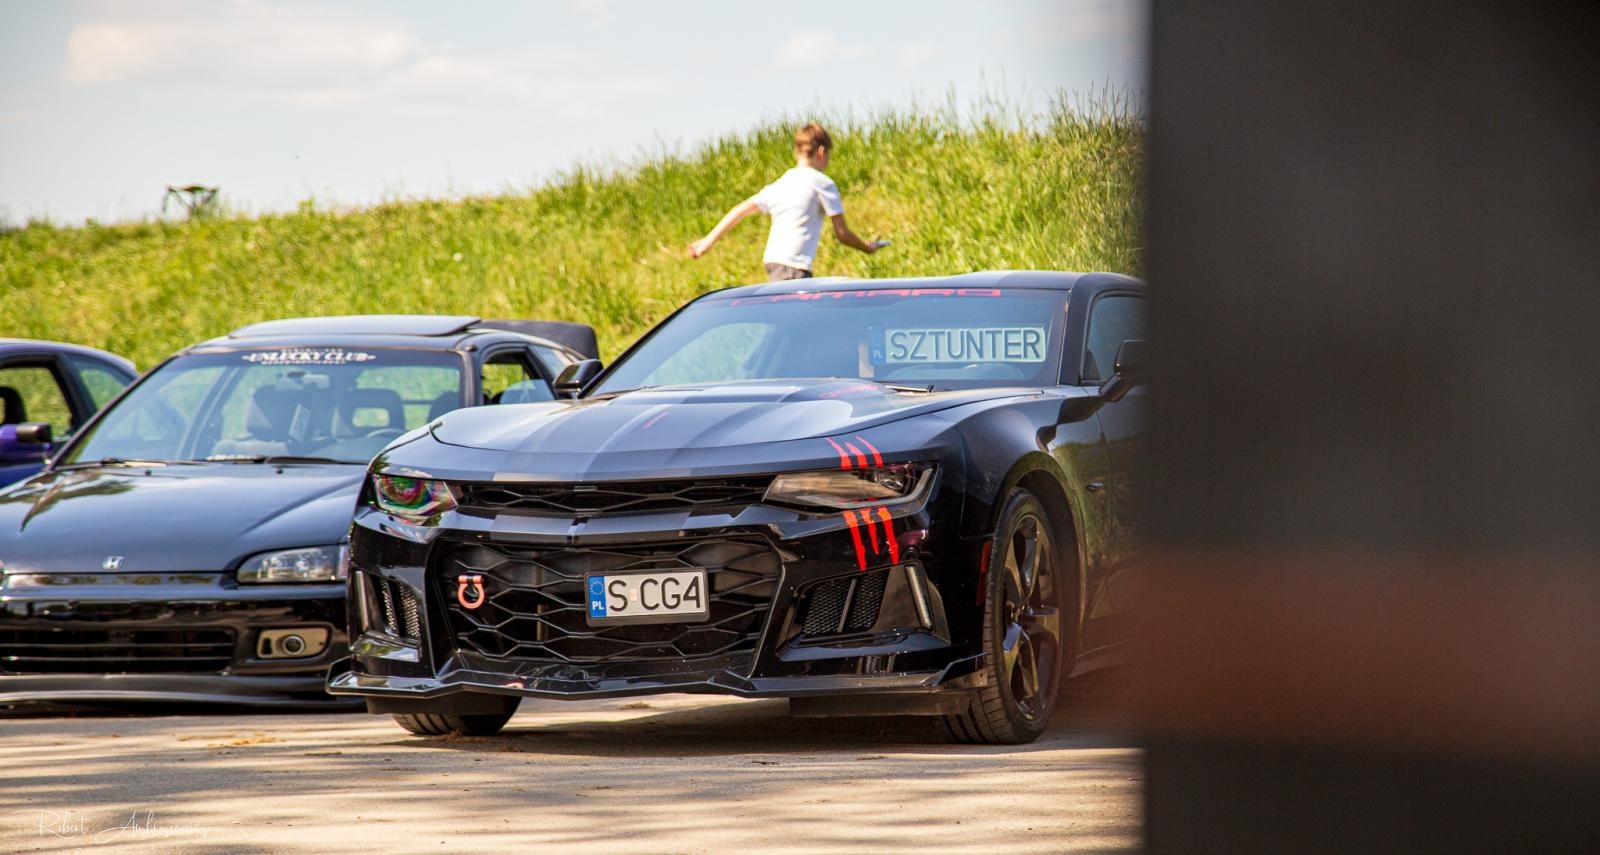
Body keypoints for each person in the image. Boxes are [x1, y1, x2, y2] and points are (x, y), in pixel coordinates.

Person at [687, 123, 883, 280]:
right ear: (822, 152)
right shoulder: (822, 183)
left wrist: (707, 242)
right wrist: (867, 247)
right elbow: (842, 234)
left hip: (773, 262)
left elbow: (741, 210)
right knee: (798, 326)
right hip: (795, 267)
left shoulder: (781, 184)